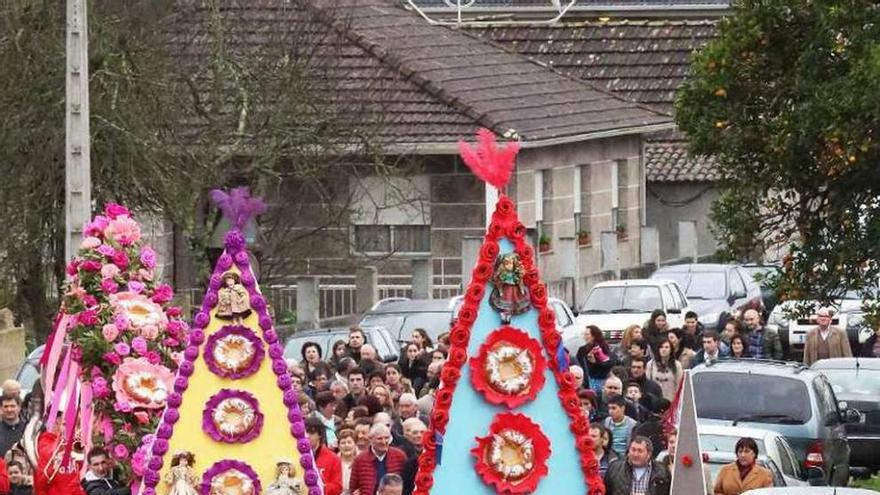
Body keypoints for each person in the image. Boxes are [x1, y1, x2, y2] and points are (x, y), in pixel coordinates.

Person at [348, 424, 406, 495]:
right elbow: (353, 487)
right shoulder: (360, 460)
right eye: (379, 438)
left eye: (386, 438)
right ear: (371, 439)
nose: (384, 442)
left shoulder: (399, 456)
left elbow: (406, 482)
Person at [604, 436, 670, 495]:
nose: (635, 454)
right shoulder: (615, 469)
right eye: (633, 450)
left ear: (649, 454)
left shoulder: (662, 471)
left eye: (640, 451)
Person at [305, 418, 343, 495]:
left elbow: (338, 487)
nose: (307, 436)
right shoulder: (297, 456)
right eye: (305, 432)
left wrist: (319, 488)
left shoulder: (333, 458)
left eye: (312, 432)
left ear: (320, 435)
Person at [576, 326, 615, 392]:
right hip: (588, 380)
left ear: (594, 336)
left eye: (587, 334)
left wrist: (595, 362)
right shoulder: (582, 349)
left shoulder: (603, 348)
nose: (585, 337)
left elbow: (610, 363)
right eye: (584, 334)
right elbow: (578, 364)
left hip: (602, 380)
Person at [336, 429, 358, 495]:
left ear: (355, 444)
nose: (346, 445)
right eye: (343, 443)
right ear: (338, 446)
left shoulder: (361, 462)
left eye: (349, 442)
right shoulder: (333, 462)